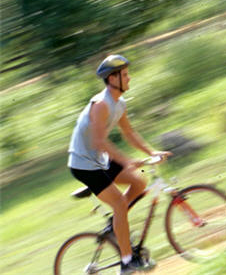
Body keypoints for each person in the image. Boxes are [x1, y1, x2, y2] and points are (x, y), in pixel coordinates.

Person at [67, 54, 171, 274]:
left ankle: (116, 225)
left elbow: (129, 132)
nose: (129, 78)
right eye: (125, 75)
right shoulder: (101, 105)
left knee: (139, 181)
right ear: (113, 79)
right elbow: (98, 141)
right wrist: (126, 160)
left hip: (100, 161)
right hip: (84, 165)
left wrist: (151, 152)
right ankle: (126, 262)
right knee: (120, 204)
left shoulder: (119, 103)